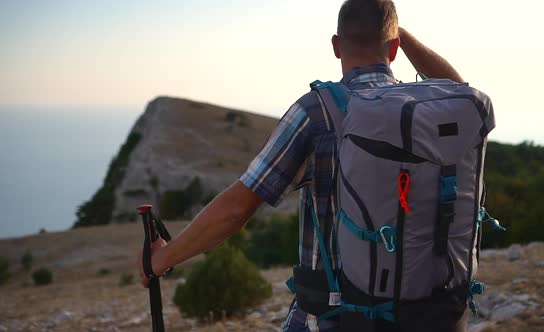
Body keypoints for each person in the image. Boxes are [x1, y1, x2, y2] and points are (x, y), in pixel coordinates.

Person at [138, 0, 467, 330]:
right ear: (395, 47)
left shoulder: (317, 112)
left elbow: (237, 208)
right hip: (423, 312)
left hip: (335, 316)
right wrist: (398, 34)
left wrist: (162, 258)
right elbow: (461, 91)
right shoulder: (425, 109)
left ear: (337, 46)